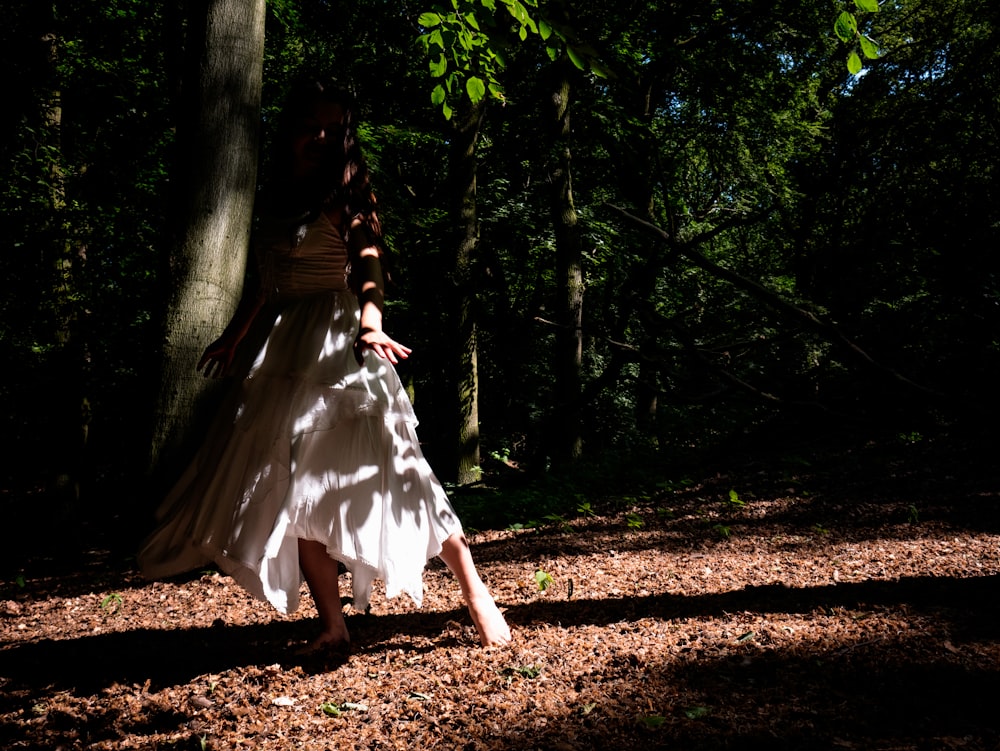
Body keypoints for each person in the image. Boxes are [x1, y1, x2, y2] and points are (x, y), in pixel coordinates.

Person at [138, 80, 511, 653]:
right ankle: (333, 626)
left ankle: (475, 591)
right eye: (311, 125)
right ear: (291, 129)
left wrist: (371, 320)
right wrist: (233, 338)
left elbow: (369, 264)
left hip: (343, 349)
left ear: (344, 139)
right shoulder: (276, 198)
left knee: (402, 473)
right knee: (297, 488)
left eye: (333, 130)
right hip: (283, 354)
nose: (320, 137)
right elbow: (266, 285)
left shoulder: (349, 195)